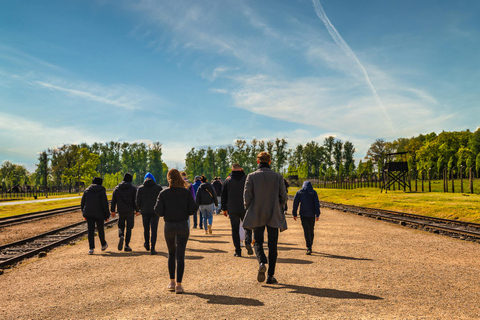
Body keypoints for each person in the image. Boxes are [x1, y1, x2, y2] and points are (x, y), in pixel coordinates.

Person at [243, 151, 287, 285]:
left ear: (258, 162)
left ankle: (262, 262)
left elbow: (246, 197)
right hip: (273, 213)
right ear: (269, 162)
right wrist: (279, 206)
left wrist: (250, 208)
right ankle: (271, 276)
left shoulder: (251, 176)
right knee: (273, 245)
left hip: (257, 213)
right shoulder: (278, 177)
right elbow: (284, 197)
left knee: (257, 242)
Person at [154, 169, 198, 294]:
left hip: (169, 226)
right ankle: (179, 284)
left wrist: (166, 212)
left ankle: (172, 282)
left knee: (171, 254)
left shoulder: (163, 193)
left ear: (168, 179)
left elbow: (157, 211)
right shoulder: (185, 192)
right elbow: (193, 209)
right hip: (183, 225)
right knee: (181, 255)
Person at [221, 164, 253, 257]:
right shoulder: (247, 179)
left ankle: (238, 251)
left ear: (232, 170)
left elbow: (224, 195)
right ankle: (247, 241)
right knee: (248, 226)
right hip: (245, 207)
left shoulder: (228, 181)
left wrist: (224, 208)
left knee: (235, 230)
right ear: (241, 169)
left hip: (232, 208)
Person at [136, 172, 163, 255]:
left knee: (146, 229)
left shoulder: (140, 188)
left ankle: (147, 244)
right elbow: (162, 200)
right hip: (155, 212)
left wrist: (141, 209)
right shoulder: (158, 188)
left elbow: (137, 202)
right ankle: (153, 248)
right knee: (154, 230)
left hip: (145, 212)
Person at [81, 177, 109, 255]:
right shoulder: (101, 190)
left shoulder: (87, 190)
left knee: (90, 231)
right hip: (99, 213)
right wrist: (107, 215)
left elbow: (83, 203)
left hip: (89, 213)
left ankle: (91, 248)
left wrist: (84, 213)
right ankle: (103, 244)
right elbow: (104, 203)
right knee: (100, 229)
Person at [111, 173, 139, 252]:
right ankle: (127, 245)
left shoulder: (117, 188)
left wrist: (112, 210)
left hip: (121, 210)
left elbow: (113, 201)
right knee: (129, 228)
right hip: (130, 211)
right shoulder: (133, 189)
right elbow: (135, 201)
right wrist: (137, 210)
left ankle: (121, 236)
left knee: (121, 226)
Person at [292, 181, 321, 255]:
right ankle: (310, 245)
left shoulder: (299, 192)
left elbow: (295, 203)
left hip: (303, 214)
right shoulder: (313, 193)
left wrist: (294, 213)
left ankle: (309, 246)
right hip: (312, 215)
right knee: (311, 230)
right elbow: (316, 203)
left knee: (306, 230)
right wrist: (317, 214)